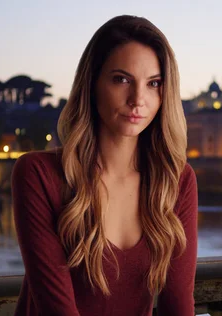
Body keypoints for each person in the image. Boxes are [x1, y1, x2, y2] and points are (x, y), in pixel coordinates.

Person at [11, 15, 198, 316]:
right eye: (122, 79)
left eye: (153, 84)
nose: (138, 99)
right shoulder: (37, 174)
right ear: (92, 83)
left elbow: (178, 306)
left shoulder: (177, 180)